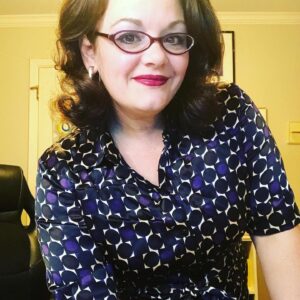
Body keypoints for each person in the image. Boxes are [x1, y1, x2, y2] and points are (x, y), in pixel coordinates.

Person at [35, 0, 300, 299]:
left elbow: (277, 229)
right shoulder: (63, 169)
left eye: (173, 38)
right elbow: (84, 290)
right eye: (130, 37)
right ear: (90, 52)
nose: (157, 57)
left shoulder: (231, 114)